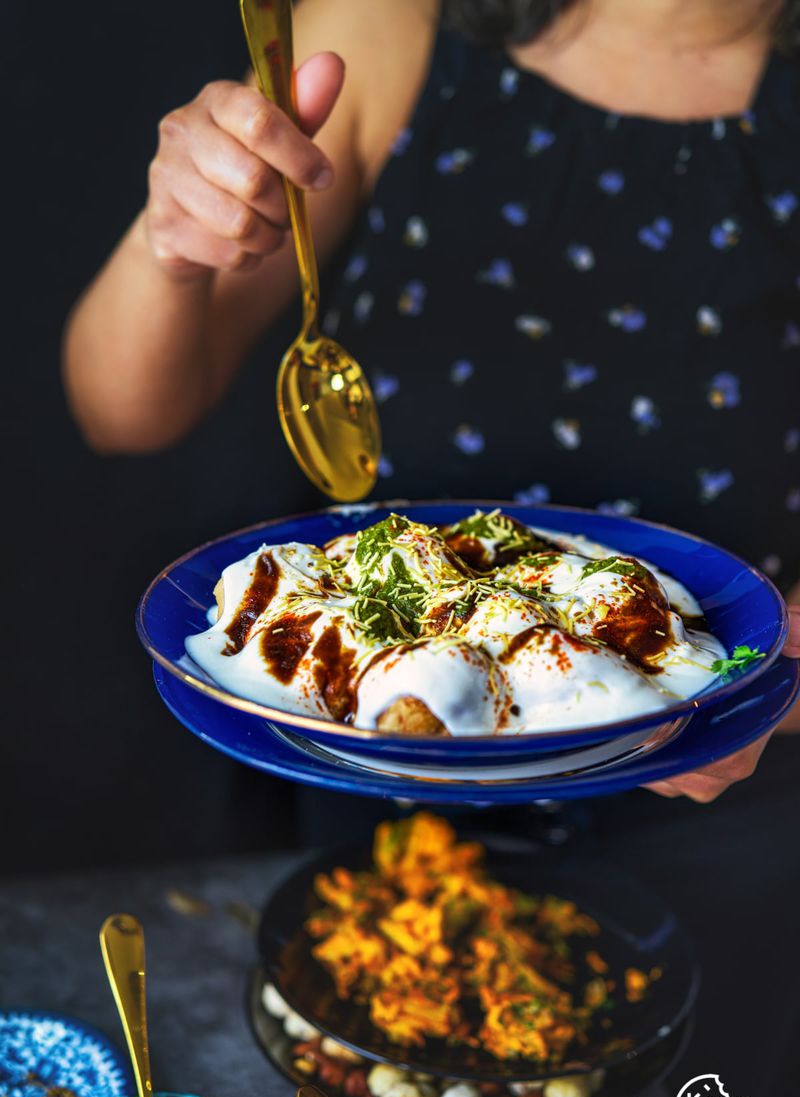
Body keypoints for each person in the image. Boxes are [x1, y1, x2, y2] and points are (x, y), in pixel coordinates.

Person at [62, 0, 800, 800]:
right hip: (365, 767)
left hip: (718, 799)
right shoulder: (383, 28)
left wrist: (764, 683)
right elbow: (120, 413)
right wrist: (171, 243)